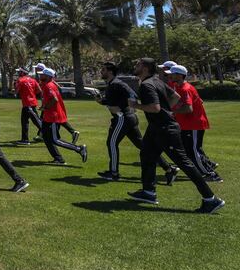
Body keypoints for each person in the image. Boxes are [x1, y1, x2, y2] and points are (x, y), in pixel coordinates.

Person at [127, 58, 224, 213]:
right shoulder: (156, 81)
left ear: (145, 68)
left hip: (165, 129)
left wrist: (135, 105)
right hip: (156, 128)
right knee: (146, 155)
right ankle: (148, 192)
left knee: (184, 162)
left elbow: (155, 108)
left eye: (137, 64)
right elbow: (175, 97)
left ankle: (210, 199)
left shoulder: (147, 85)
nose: (135, 66)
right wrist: (168, 110)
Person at [95, 61, 178, 183]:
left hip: (122, 118)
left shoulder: (116, 84)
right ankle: (169, 169)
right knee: (143, 146)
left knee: (111, 143)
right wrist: (102, 101)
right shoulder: (112, 84)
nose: (101, 72)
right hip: (127, 118)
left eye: (103, 70)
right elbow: (113, 100)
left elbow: (132, 94)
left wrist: (127, 107)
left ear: (110, 71)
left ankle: (113, 173)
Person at [169, 65, 222, 182]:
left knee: (192, 151)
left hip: (193, 125)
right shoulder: (179, 87)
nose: (170, 76)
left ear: (179, 75)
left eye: (172, 74)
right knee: (191, 150)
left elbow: (188, 109)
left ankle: (211, 174)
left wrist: (171, 111)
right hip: (188, 124)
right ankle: (207, 168)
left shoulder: (185, 88)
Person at [38, 68, 87, 164]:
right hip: (48, 116)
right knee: (47, 139)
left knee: (55, 140)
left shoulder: (49, 85)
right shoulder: (49, 84)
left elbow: (54, 99)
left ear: (48, 76)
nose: (40, 76)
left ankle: (79, 149)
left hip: (52, 117)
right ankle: (58, 159)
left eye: (42, 74)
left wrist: (45, 108)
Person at [34, 63, 79, 143]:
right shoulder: (45, 81)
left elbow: (54, 97)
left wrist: (45, 106)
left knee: (54, 122)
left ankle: (74, 144)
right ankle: (43, 135)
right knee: (52, 121)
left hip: (51, 108)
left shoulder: (48, 83)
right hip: (49, 106)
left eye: (37, 68)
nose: (36, 70)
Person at [14, 67, 43, 145]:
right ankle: (25, 139)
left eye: (19, 72)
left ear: (23, 73)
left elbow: (16, 91)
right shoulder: (33, 80)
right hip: (32, 103)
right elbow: (39, 90)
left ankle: (48, 134)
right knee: (25, 122)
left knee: (36, 121)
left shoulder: (20, 80)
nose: (18, 73)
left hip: (27, 104)